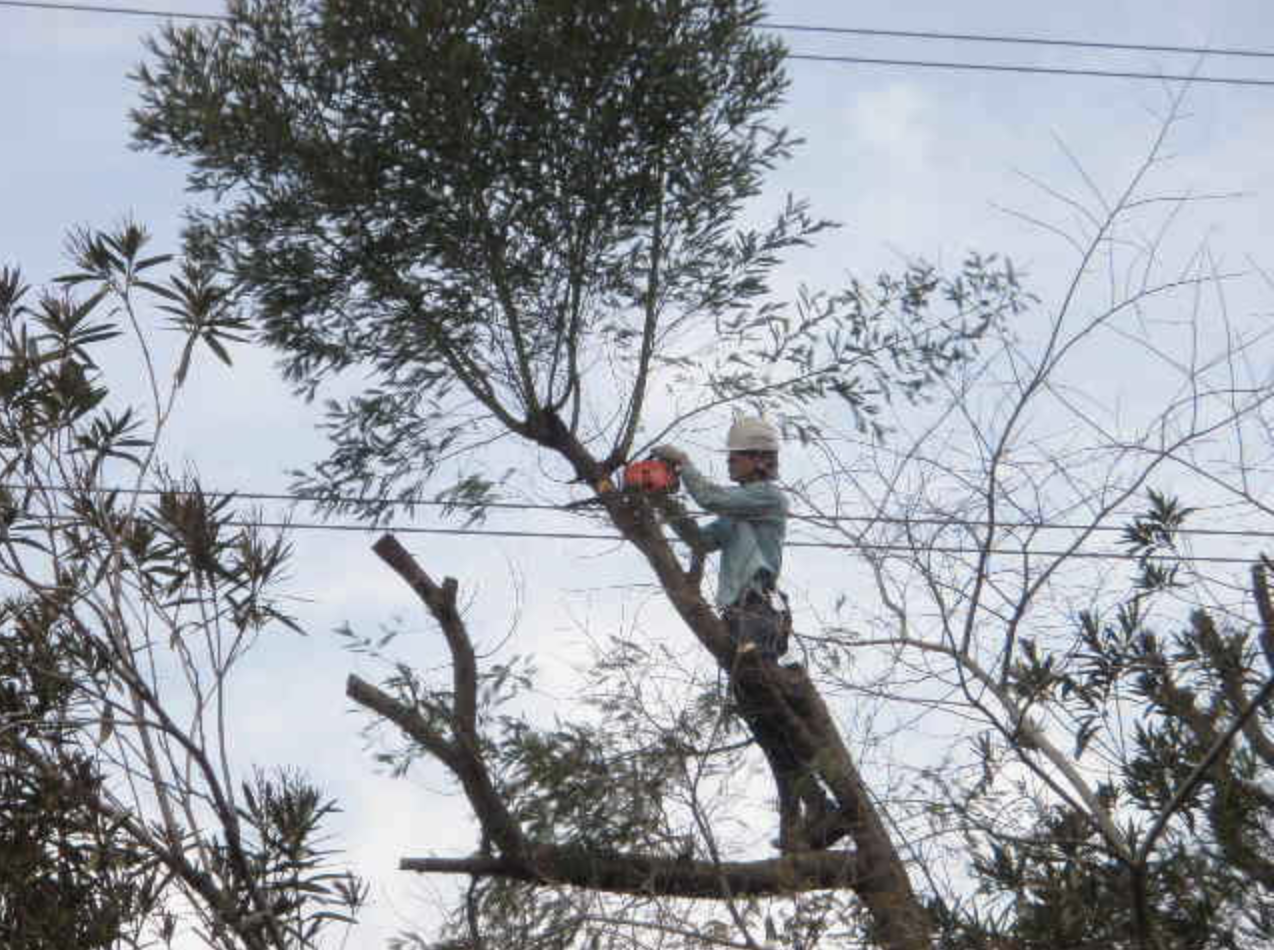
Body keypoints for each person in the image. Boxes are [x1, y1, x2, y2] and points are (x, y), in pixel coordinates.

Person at [653, 417, 790, 660]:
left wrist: (683, 462)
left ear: (758, 459)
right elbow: (700, 541)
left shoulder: (769, 497)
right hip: (737, 612)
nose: (729, 462)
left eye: (734, 457)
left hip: (759, 608)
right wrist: (666, 504)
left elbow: (711, 498)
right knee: (743, 688)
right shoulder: (738, 513)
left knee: (758, 679)